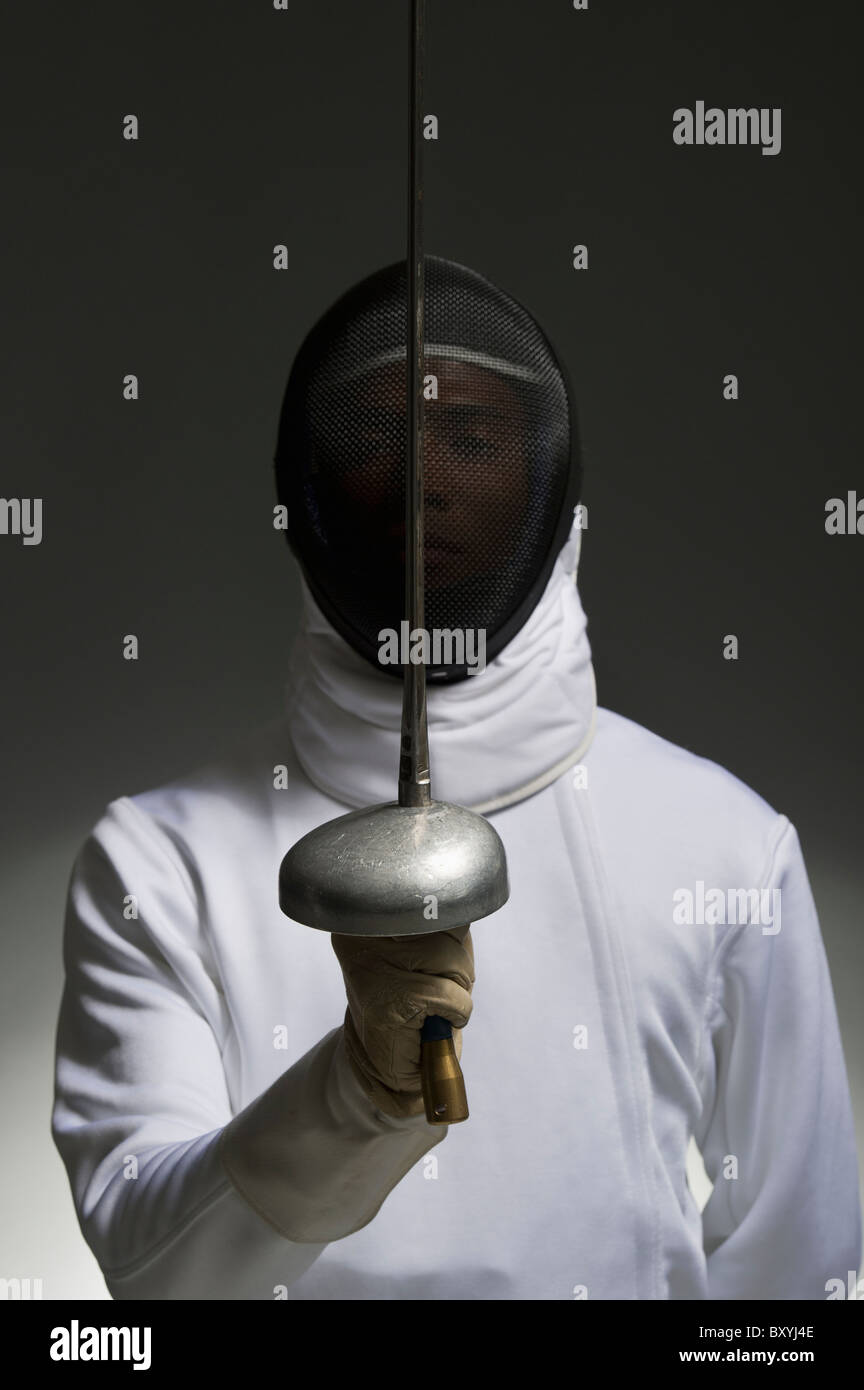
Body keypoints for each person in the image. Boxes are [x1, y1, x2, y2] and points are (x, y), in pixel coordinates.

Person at [51, 257, 861, 1300]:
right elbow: (155, 1267)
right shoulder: (159, 861)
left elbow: (800, 1282)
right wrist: (356, 1092)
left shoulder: (726, 844)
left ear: (547, 477)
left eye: (471, 439)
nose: (420, 478)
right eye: (375, 438)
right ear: (307, 488)